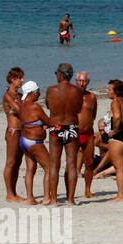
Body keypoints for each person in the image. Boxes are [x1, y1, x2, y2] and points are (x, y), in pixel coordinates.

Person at [45, 63, 82, 205]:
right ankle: (71, 199)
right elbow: (78, 108)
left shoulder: (51, 90)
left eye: (56, 73)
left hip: (56, 125)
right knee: (71, 163)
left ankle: (54, 199)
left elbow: (49, 105)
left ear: (60, 74)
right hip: (71, 126)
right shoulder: (77, 91)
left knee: (54, 163)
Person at [16, 81, 54, 205]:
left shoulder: (21, 105)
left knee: (30, 170)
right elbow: (48, 122)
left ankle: (30, 198)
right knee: (49, 168)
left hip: (24, 141)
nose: (39, 95)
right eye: (38, 92)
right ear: (32, 93)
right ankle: (46, 197)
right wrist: (44, 125)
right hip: (34, 142)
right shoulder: (35, 106)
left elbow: (31, 120)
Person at [101, 80, 123, 201]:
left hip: (119, 136)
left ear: (116, 91)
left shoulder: (115, 102)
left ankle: (121, 195)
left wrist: (114, 130)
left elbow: (117, 116)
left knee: (119, 168)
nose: (107, 91)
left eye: (109, 89)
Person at [2, 67, 26, 202]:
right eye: (20, 78)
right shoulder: (9, 95)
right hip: (12, 132)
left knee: (18, 162)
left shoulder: (19, 94)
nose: (22, 80)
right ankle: (9, 194)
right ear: (13, 79)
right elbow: (20, 111)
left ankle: (14, 192)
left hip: (21, 131)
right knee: (10, 162)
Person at [75, 71, 99, 199]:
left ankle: (88, 190)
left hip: (88, 133)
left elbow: (93, 115)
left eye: (84, 81)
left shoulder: (92, 97)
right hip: (75, 133)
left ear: (88, 82)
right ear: (75, 81)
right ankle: (71, 192)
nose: (82, 83)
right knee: (71, 163)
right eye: (79, 80)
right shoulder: (71, 95)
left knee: (89, 163)